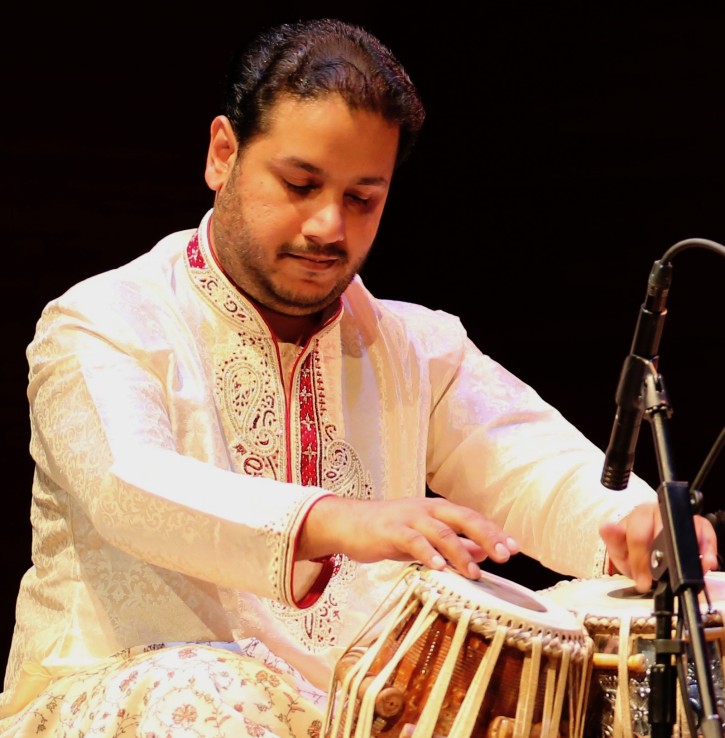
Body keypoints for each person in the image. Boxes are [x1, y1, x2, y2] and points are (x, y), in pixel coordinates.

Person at [0, 17, 718, 738]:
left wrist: (635, 526)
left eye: (361, 198)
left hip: (363, 710)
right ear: (223, 154)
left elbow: (533, 466)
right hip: (125, 696)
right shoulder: (104, 320)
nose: (328, 226)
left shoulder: (413, 346)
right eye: (301, 183)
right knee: (202, 689)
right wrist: (337, 518)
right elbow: (129, 484)